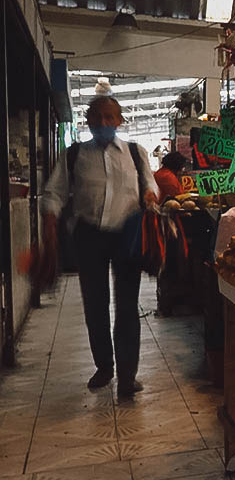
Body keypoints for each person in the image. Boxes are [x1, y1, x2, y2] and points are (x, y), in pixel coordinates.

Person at [41, 96, 159, 396]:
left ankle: (127, 376)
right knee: (95, 304)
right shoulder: (74, 154)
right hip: (89, 235)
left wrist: (149, 197)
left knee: (127, 307)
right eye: (97, 118)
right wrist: (50, 223)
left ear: (120, 121)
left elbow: (150, 185)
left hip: (127, 235)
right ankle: (104, 365)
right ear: (88, 121)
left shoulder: (136, 152)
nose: (104, 123)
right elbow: (54, 193)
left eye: (110, 118)